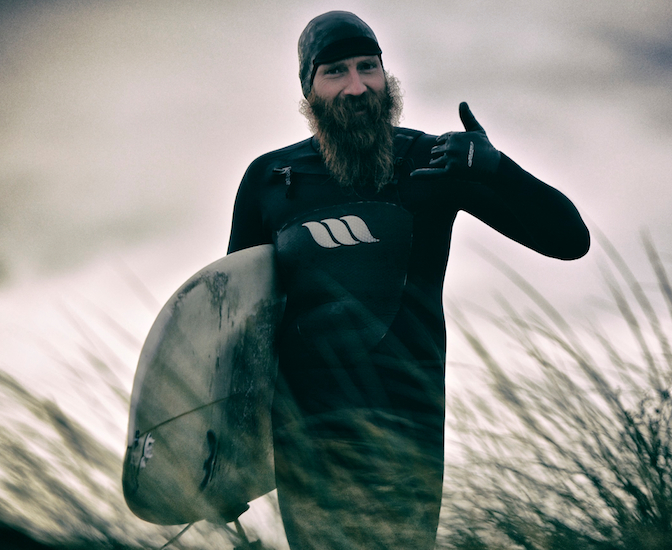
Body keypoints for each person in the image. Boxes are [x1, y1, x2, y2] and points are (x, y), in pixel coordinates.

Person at [227, 11, 589, 550]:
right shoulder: (271, 180)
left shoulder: (434, 161)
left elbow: (569, 240)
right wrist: (226, 459)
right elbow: (237, 328)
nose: (356, 87)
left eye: (367, 67)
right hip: (306, 433)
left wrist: (497, 169)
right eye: (335, 72)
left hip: (409, 430)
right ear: (309, 90)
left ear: (386, 76)